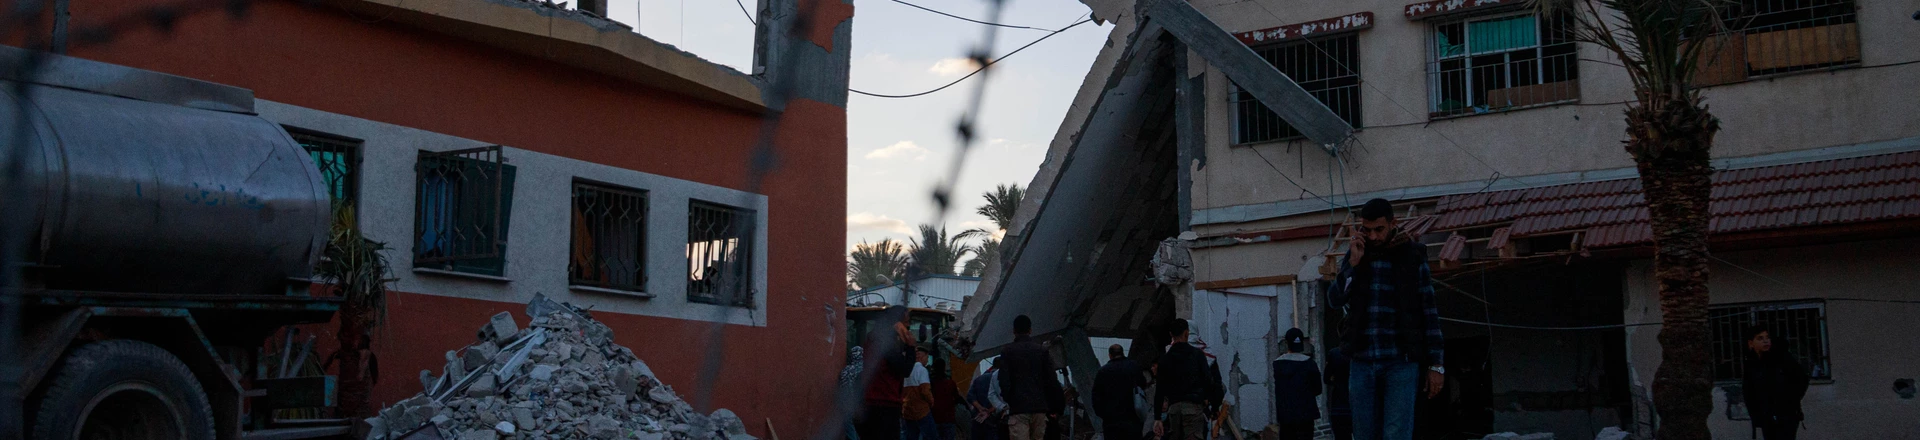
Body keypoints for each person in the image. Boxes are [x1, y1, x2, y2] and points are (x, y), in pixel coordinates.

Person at [1328, 198, 1444, 440]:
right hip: (1361, 359)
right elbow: (1334, 300)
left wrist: (1436, 364)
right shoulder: (1356, 254)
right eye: (1367, 230)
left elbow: (1429, 312)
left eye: (1379, 229)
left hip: (1400, 360)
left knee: (1396, 434)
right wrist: (1352, 266)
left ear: (1393, 223)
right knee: (1363, 434)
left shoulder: (1412, 255)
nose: (1373, 237)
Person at [999, 315, 1065, 440]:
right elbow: (1051, 380)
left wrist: (1010, 399)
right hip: (1039, 407)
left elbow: (1004, 381)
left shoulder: (1007, 351)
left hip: (1018, 408)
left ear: (1014, 331)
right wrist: (1055, 406)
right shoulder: (1041, 351)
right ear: (1030, 330)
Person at [1153, 319, 1219, 440]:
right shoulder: (1197, 355)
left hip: (1173, 410)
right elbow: (1209, 382)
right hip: (1193, 408)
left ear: (1171, 335)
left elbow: (1160, 390)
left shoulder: (1165, 359)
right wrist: (1212, 406)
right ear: (1187, 333)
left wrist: (1157, 418)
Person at [1742, 326, 1809, 440]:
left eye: (1767, 337)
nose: (1765, 341)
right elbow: (1749, 392)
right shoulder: (1752, 364)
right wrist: (1757, 416)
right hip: (1767, 417)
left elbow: (1801, 379)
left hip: (1786, 415)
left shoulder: (1781, 358)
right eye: (1760, 338)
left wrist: (1790, 402)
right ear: (1751, 343)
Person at [861, 306, 917, 440]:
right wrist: (910, 348)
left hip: (873, 404)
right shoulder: (885, 343)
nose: (908, 326)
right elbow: (905, 369)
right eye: (906, 322)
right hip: (884, 404)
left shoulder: (874, 338)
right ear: (896, 323)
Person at [1272, 328, 1323, 440]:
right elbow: (1318, 389)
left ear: (1287, 343)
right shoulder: (1310, 363)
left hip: (1286, 414)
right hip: (1306, 414)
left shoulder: (1277, 364)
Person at [1093, 344, 1146, 440]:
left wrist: (1104, 415)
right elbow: (1143, 385)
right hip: (1132, 418)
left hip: (1112, 422)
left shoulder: (1103, 372)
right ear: (1122, 353)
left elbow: (1096, 398)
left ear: (1110, 355)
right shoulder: (1134, 367)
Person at [906, 347, 938, 440]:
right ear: (921, 357)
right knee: (931, 436)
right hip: (921, 410)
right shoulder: (922, 370)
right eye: (927, 357)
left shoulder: (906, 370)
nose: (927, 361)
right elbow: (925, 391)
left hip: (907, 410)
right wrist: (931, 401)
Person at [967, 366, 1005, 440]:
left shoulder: (979, 379)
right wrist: (988, 411)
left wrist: (980, 408)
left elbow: (970, 396)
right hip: (994, 418)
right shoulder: (999, 379)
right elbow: (1001, 400)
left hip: (977, 416)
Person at [1324, 347, 1354, 440]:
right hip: (1357, 401)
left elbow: (1326, 378)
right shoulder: (1359, 352)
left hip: (1339, 402)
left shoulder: (1334, 353)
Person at [932, 358, 964, 440]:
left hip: (934, 417)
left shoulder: (931, 383)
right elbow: (957, 398)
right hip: (948, 417)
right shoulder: (950, 383)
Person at [840, 347, 866, 440]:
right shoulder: (866, 369)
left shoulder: (846, 370)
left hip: (847, 403)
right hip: (862, 404)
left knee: (850, 429)